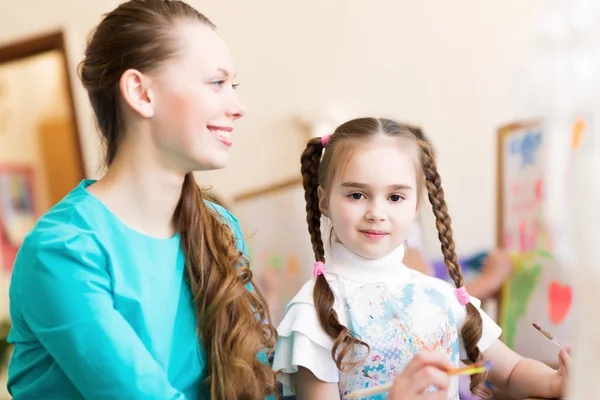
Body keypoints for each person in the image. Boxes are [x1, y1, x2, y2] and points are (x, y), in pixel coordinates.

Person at [6, 1, 278, 399]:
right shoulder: (62, 251)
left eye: (232, 86)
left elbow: (256, 385)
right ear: (141, 92)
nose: (237, 108)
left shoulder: (220, 229)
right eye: (216, 83)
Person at [272, 117, 570, 399]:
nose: (377, 213)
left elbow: (512, 370)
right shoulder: (314, 312)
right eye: (357, 195)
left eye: (395, 197)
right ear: (324, 200)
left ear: (416, 206)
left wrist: (558, 381)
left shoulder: (440, 297)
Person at [401, 126, 513, 302]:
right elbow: (427, 304)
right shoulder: (397, 230)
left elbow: (419, 277)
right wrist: (490, 280)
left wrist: (461, 265)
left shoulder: (409, 229)